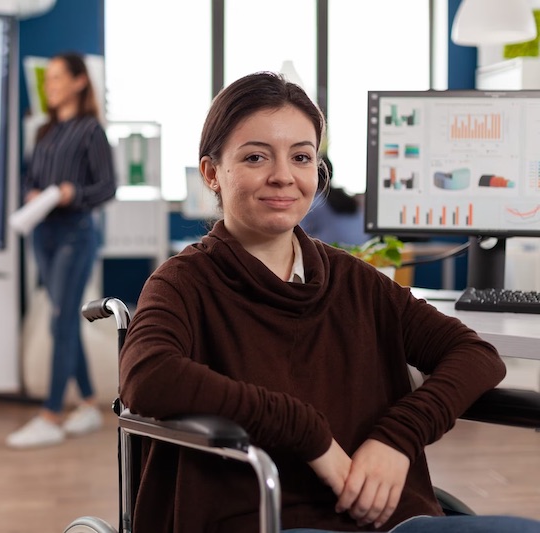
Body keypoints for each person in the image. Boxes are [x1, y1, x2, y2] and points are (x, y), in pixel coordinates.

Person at [118, 72, 540, 532]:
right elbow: (147, 376)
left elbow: (474, 355)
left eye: (301, 157)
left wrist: (397, 438)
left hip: (395, 520)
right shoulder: (184, 282)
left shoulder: (355, 281)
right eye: (256, 156)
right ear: (212, 172)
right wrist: (306, 432)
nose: (283, 176)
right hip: (264, 518)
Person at [6, 52, 117, 449]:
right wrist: (32, 193)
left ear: (78, 82)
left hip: (75, 234)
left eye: (56, 78)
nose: (49, 85)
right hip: (44, 235)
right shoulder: (44, 132)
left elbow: (107, 187)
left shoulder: (91, 131)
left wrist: (73, 193)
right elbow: (27, 177)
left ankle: (51, 415)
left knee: (60, 321)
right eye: (47, 79)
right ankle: (87, 403)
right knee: (62, 321)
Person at [300, 156, 372, 247]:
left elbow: (295, 234)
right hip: (363, 250)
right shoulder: (344, 198)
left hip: (336, 255)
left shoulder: (316, 203)